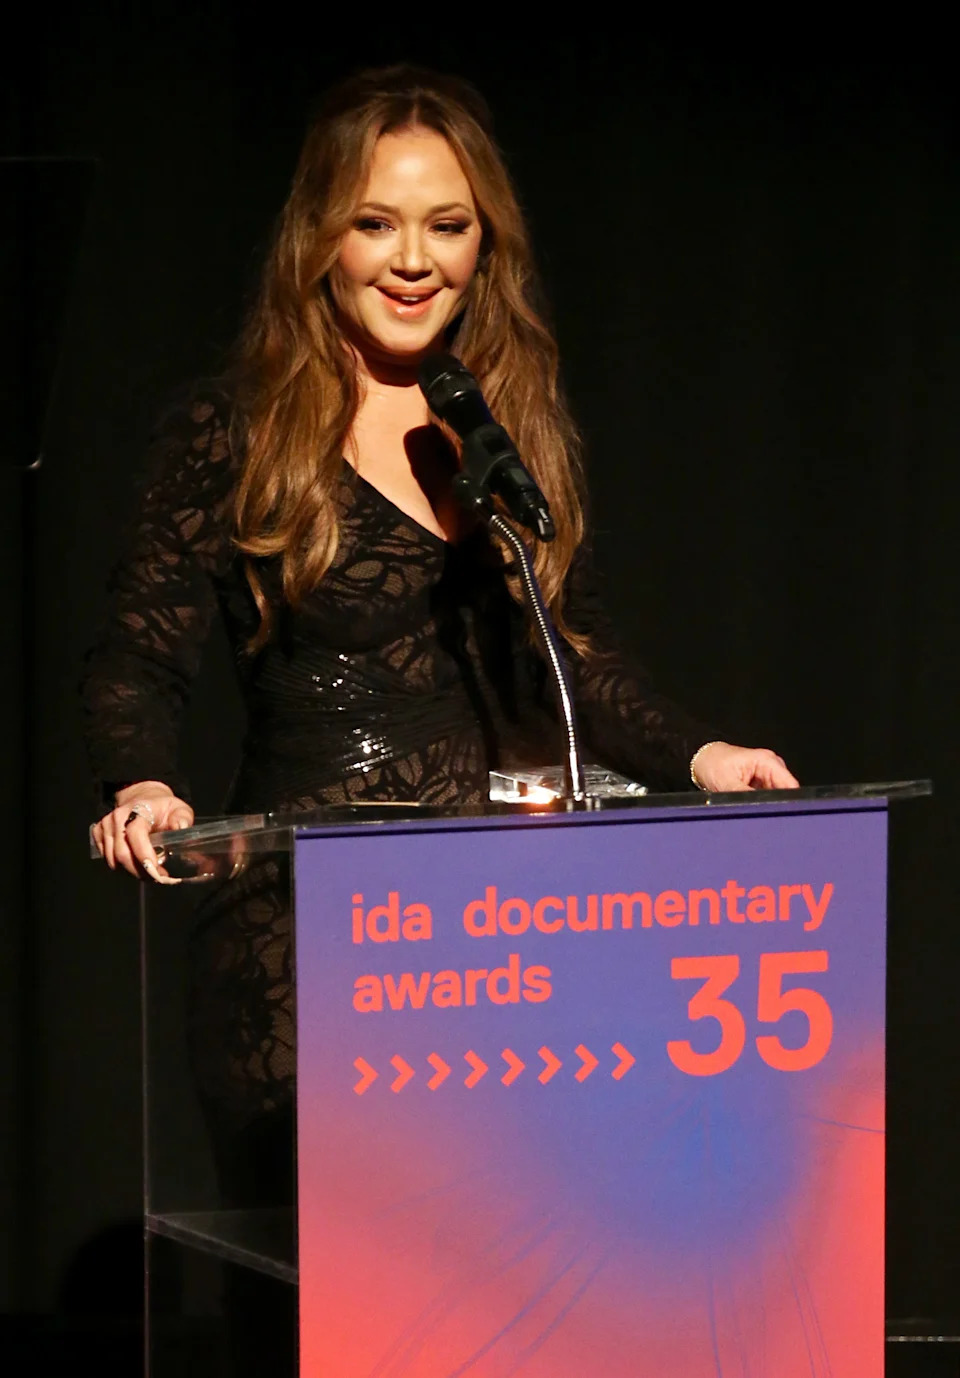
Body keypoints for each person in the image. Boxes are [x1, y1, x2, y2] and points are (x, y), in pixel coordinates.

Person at [82, 63, 798, 1370]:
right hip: (294, 932)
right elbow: (135, 659)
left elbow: (555, 653)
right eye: (377, 221)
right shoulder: (229, 430)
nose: (414, 260)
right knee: (332, 1317)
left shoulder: (490, 419)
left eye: (447, 225)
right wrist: (141, 782)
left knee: (496, 1318)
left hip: (483, 940)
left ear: (485, 244)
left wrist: (704, 754)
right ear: (320, 238)